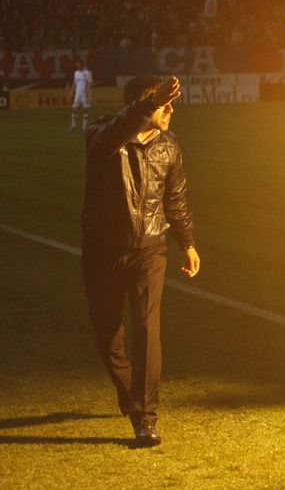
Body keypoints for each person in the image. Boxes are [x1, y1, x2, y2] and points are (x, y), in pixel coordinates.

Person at [80, 75, 201, 446]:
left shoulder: (170, 146)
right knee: (108, 339)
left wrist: (188, 242)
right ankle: (132, 396)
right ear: (142, 105)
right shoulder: (103, 134)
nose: (170, 110)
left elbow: (175, 198)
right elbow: (117, 128)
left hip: (150, 249)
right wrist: (150, 103)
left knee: (148, 330)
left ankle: (145, 417)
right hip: (103, 251)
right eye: (163, 104)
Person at [69, 58, 93, 130]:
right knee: (74, 108)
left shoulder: (88, 73)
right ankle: (73, 125)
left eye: (78, 65)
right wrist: (72, 92)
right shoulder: (76, 73)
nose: (77, 66)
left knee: (86, 108)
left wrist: (87, 92)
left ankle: (84, 126)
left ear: (82, 65)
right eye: (77, 65)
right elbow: (74, 83)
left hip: (85, 94)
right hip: (78, 94)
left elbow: (90, 83)